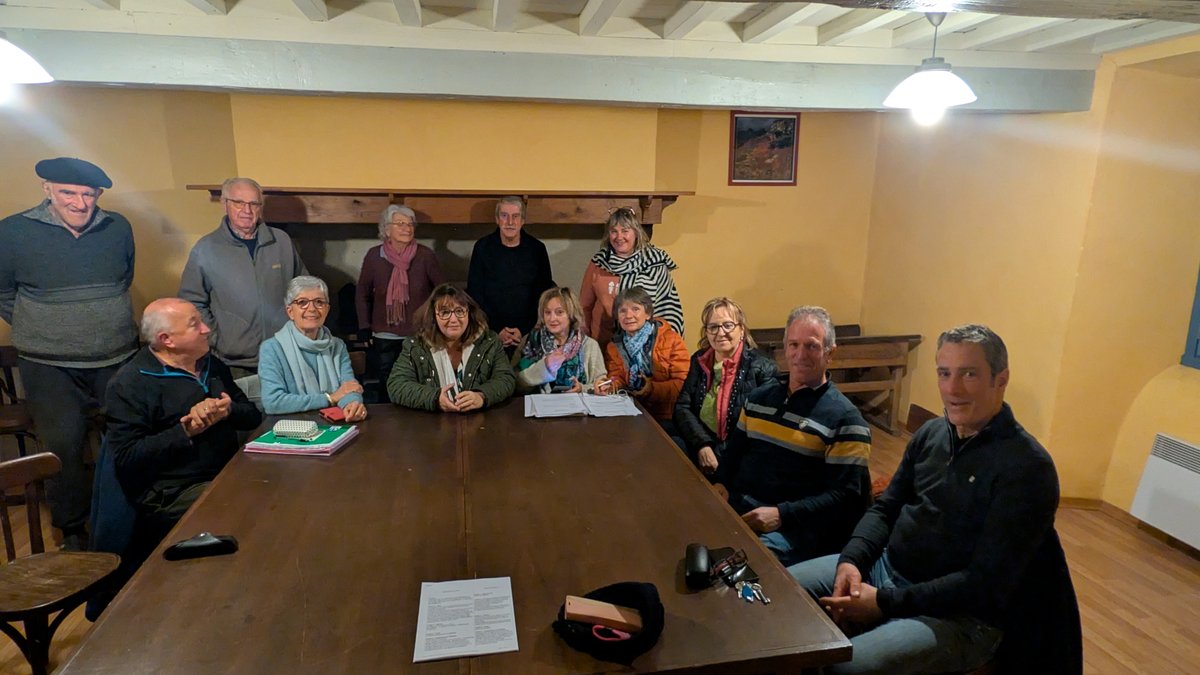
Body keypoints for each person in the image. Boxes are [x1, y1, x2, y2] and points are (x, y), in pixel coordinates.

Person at [788, 325, 1064, 675]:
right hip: (886, 571)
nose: (952, 388)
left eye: (969, 374)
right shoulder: (932, 434)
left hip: (957, 617)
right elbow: (886, 508)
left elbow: (983, 583)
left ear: (1001, 378)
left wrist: (884, 603)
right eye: (944, 373)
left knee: (843, 668)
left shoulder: (1027, 468)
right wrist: (852, 561)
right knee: (779, 596)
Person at [0, 157, 138, 551]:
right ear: (47, 190)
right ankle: (73, 529)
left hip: (116, 356)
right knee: (63, 446)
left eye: (88, 194)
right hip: (48, 364)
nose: (80, 203)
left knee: (128, 436)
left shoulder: (118, 228)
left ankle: (132, 513)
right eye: (68, 193)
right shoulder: (12, 232)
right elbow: (3, 291)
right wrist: (45, 325)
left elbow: (123, 277)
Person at [105, 298, 262, 562]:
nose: (206, 329)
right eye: (195, 325)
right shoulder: (129, 384)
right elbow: (127, 458)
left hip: (225, 471)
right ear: (166, 339)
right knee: (250, 508)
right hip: (172, 491)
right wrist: (185, 432)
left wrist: (228, 410)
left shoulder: (210, 364)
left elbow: (251, 417)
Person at [719, 306, 871, 567]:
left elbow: (844, 498)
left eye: (811, 346)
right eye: (793, 345)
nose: (800, 355)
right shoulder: (758, 399)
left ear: (830, 353)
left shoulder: (846, 420)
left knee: (738, 566)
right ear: (785, 349)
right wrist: (719, 484)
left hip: (794, 528)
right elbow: (733, 455)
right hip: (743, 509)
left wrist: (781, 514)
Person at [179, 176, 307, 376]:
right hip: (234, 362)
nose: (247, 211)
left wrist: (300, 332)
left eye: (254, 204)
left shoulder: (281, 241)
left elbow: (304, 289)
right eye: (239, 203)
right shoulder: (206, 248)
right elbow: (191, 303)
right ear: (224, 204)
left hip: (284, 355)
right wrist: (217, 339)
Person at [673, 297, 777, 476]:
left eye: (728, 325)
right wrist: (703, 445)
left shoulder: (762, 368)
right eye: (713, 327)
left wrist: (719, 455)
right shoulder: (699, 360)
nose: (720, 333)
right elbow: (683, 407)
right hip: (703, 445)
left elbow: (761, 427)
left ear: (741, 329)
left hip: (740, 454)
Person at [355, 205, 444, 401]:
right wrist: (364, 326)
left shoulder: (425, 256)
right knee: (387, 383)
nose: (407, 228)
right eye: (400, 224)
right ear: (387, 229)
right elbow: (362, 293)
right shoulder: (374, 256)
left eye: (410, 224)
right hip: (384, 334)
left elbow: (442, 292)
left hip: (419, 333)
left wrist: (437, 324)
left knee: (419, 381)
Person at [387, 284, 515, 412]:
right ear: (434, 316)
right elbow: (397, 385)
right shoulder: (416, 345)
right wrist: (434, 398)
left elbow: (506, 378)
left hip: (480, 422)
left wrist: (481, 396)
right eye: (445, 312)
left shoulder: (489, 341)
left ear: (469, 313)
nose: (453, 319)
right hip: (430, 425)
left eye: (459, 311)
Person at [258, 276, 367, 421]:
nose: (312, 308)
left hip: (334, 424)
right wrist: (329, 398)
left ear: (327, 310)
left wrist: (353, 405)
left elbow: (349, 387)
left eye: (319, 302)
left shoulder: (337, 345)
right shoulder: (271, 348)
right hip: (291, 428)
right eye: (302, 302)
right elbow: (273, 402)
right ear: (290, 311)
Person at [581, 207, 683, 349]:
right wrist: (583, 340)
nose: (619, 237)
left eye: (625, 231)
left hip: (646, 346)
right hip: (602, 343)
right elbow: (584, 306)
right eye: (613, 231)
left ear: (636, 232)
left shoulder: (654, 261)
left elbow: (667, 305)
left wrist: (663, 344)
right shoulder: (599, 262)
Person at [466, 196, 555, 352]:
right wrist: (497, 329)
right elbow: (475, 292)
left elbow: (544, 293)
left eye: (515, 216)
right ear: (497, 219)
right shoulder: (483, 247)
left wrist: (523, 329)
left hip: (529, 330)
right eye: (504, 216)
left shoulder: (537, 249)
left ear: (522, 220)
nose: (510, 222)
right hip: (488, 329)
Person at [603, 286, 689, 430]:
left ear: (648, 314)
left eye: (635, 309)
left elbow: (682, 384)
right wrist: (608, 386)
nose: (628, 315)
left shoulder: (671, 339)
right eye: (622, 310)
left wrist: (650, 388)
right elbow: (617, 378)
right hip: (629, 411)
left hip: (666, 415)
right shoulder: (613, 346)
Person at [512, 287, 610, 394]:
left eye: (559, 312)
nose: (552, 318)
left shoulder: (589, 345)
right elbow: (514, 382)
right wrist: (545, 367)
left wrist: (582, 388)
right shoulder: (532, 341)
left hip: (579, 407)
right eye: (547, 312)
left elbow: (600, 384)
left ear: (571, 315)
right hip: (541, 406)